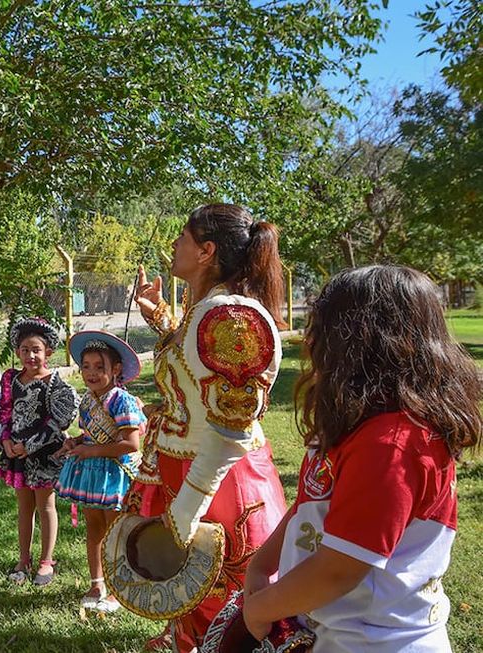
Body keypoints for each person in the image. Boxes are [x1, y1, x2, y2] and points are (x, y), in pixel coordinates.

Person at [241, 266, 481, 652]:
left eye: (322, 327)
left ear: (358, 341)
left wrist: (259, 610)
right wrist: (262, 564)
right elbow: (311, 502)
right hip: (336, 633)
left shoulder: (392, 445)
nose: (310, 339)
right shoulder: (360, 425)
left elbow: (339, 570)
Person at [123, 203, 287, 651]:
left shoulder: (232, 318)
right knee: (193, 592)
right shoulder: (206, 309)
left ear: (206, 250)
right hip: (192, 474)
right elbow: (193, 370)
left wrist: (186, 509)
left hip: (221, 484)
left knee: (226, 603)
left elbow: (232, 432)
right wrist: (159, 316)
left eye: (183, 237)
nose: (174, 245)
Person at [54, 330, 145, 612]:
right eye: (86, 367)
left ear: (115, 369)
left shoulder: (122, 401)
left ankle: (119, 590)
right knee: (93, 527)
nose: (91, 373)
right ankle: (97, 583)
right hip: (92, 474)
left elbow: (131, 443)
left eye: (99, 367)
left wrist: (90, 451)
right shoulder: (87, 400)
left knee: (115, 531)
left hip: (115, 474)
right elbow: (89, 435)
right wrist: (76, 442)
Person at [0, 318, 79, 586]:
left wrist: (30, 445)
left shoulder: (56, 384)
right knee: (24, 508)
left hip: (45, 455)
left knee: (46, 506)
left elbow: (58, 423)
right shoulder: (11, 379)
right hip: (17, 455)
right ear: (17, 352)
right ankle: (23, 559)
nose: (30, 356)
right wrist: (6, 440)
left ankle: (46, 560)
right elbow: (5, 413)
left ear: (48, 352)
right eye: (24, 350)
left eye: (36, 350)